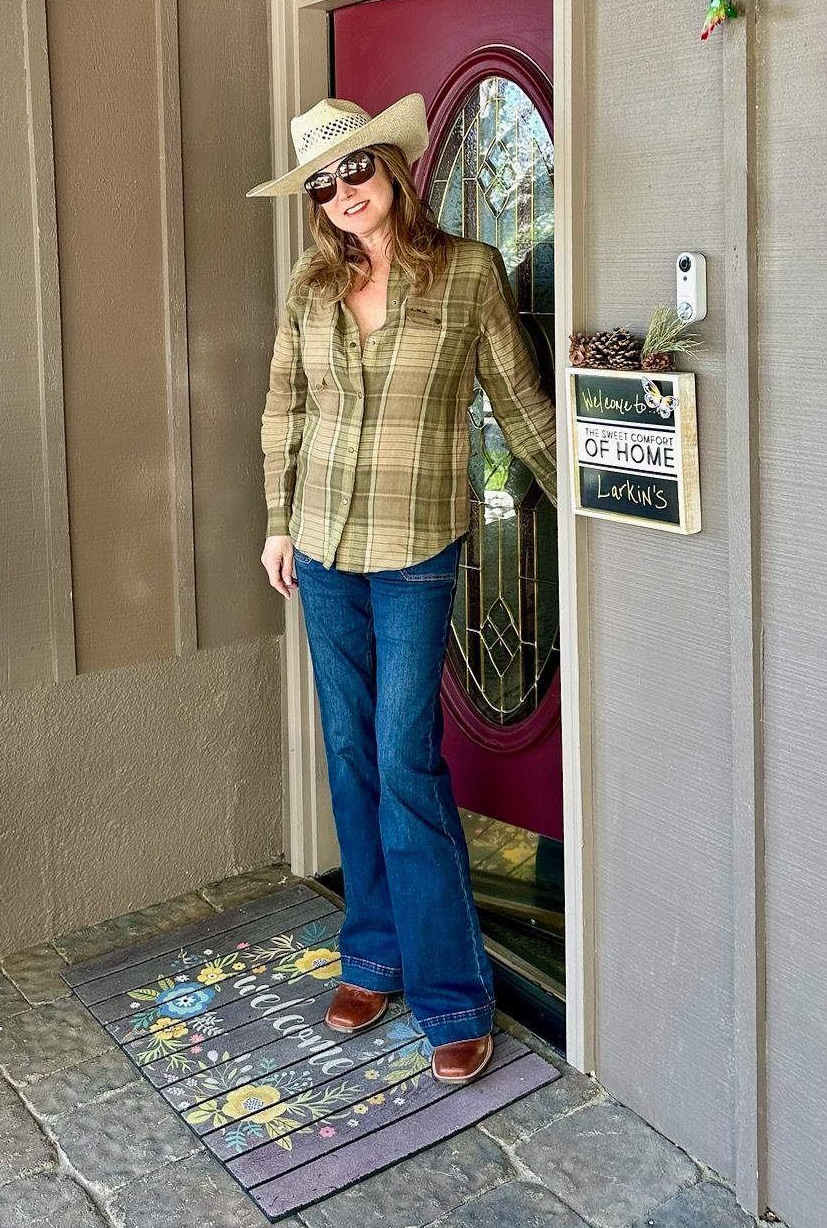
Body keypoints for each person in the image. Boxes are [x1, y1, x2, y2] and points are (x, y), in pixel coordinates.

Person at [247, 92, 558, 1086]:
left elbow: (520, 403)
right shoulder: (309, 286)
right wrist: (277, 522)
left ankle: (451, 996)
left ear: (392, 166)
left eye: (356, 169)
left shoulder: (468, 272)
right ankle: (371, 957)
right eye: (322, 183)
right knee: (349, 754)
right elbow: (284, 408)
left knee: (403, 760)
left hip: (417, 550)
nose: (343, 192)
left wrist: (589, 508)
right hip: (323, 550)